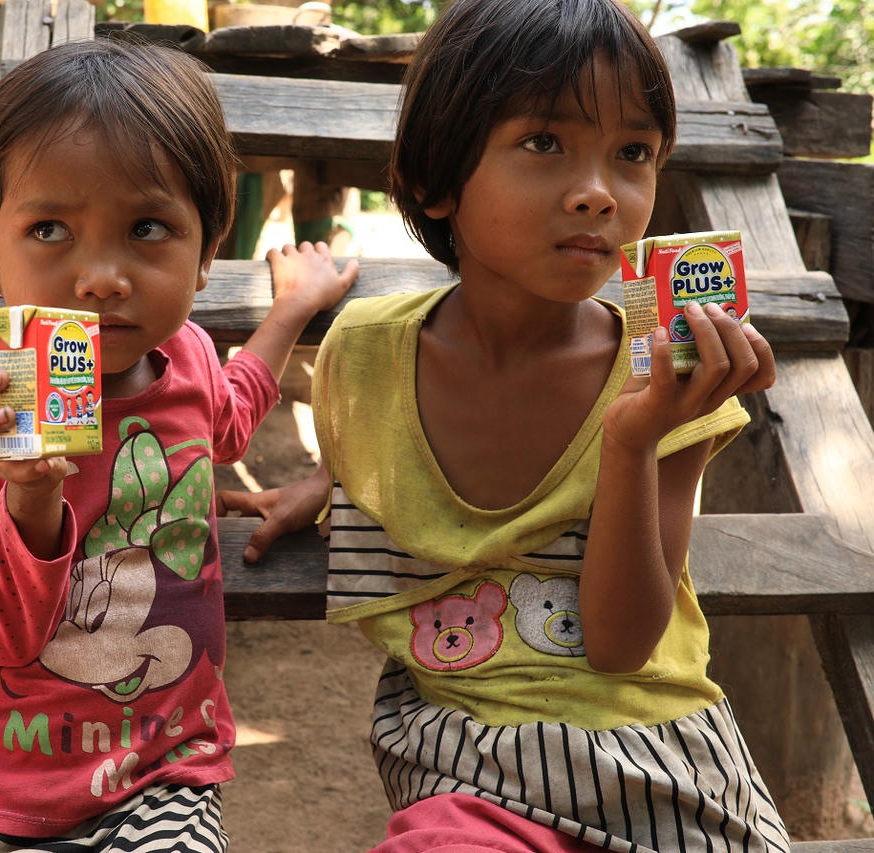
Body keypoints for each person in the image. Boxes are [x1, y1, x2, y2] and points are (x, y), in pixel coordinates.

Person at [217, 0, 789, 850]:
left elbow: (621, 645)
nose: (599, 191)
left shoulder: (661, 375)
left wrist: (633, 439)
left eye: (633, 153)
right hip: (467, 767)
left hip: (662, 761)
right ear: (434, 179)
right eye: (545, 142)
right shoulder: (364, 355)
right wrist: (330, 483)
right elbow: (382, 445)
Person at [0, 39, 357, 853]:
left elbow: (228, 416)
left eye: (148, 227)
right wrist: (29, 494)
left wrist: (290, 310)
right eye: (49, 228)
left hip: (159, 772)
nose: (102, 276)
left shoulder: (187, 356)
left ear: (208, 249)